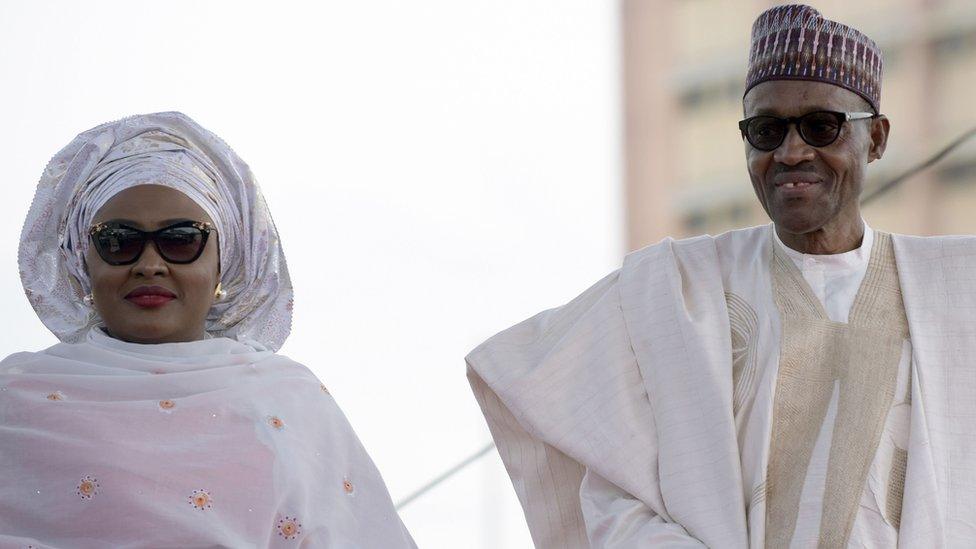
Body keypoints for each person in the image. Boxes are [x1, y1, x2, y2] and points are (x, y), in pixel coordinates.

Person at [467, 5, 975, 548]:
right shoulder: (677, 290)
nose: (792, 151)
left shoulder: (956, 291)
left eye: (821, 127)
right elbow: (604, 481)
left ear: (875, 138)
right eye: (767, 130)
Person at [0, 112, 416, 548]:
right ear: (83, 262)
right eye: (118, 240)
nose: (149, 265)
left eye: (182, 240)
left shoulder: (288, 401)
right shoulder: (17, 399)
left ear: (225, 262)